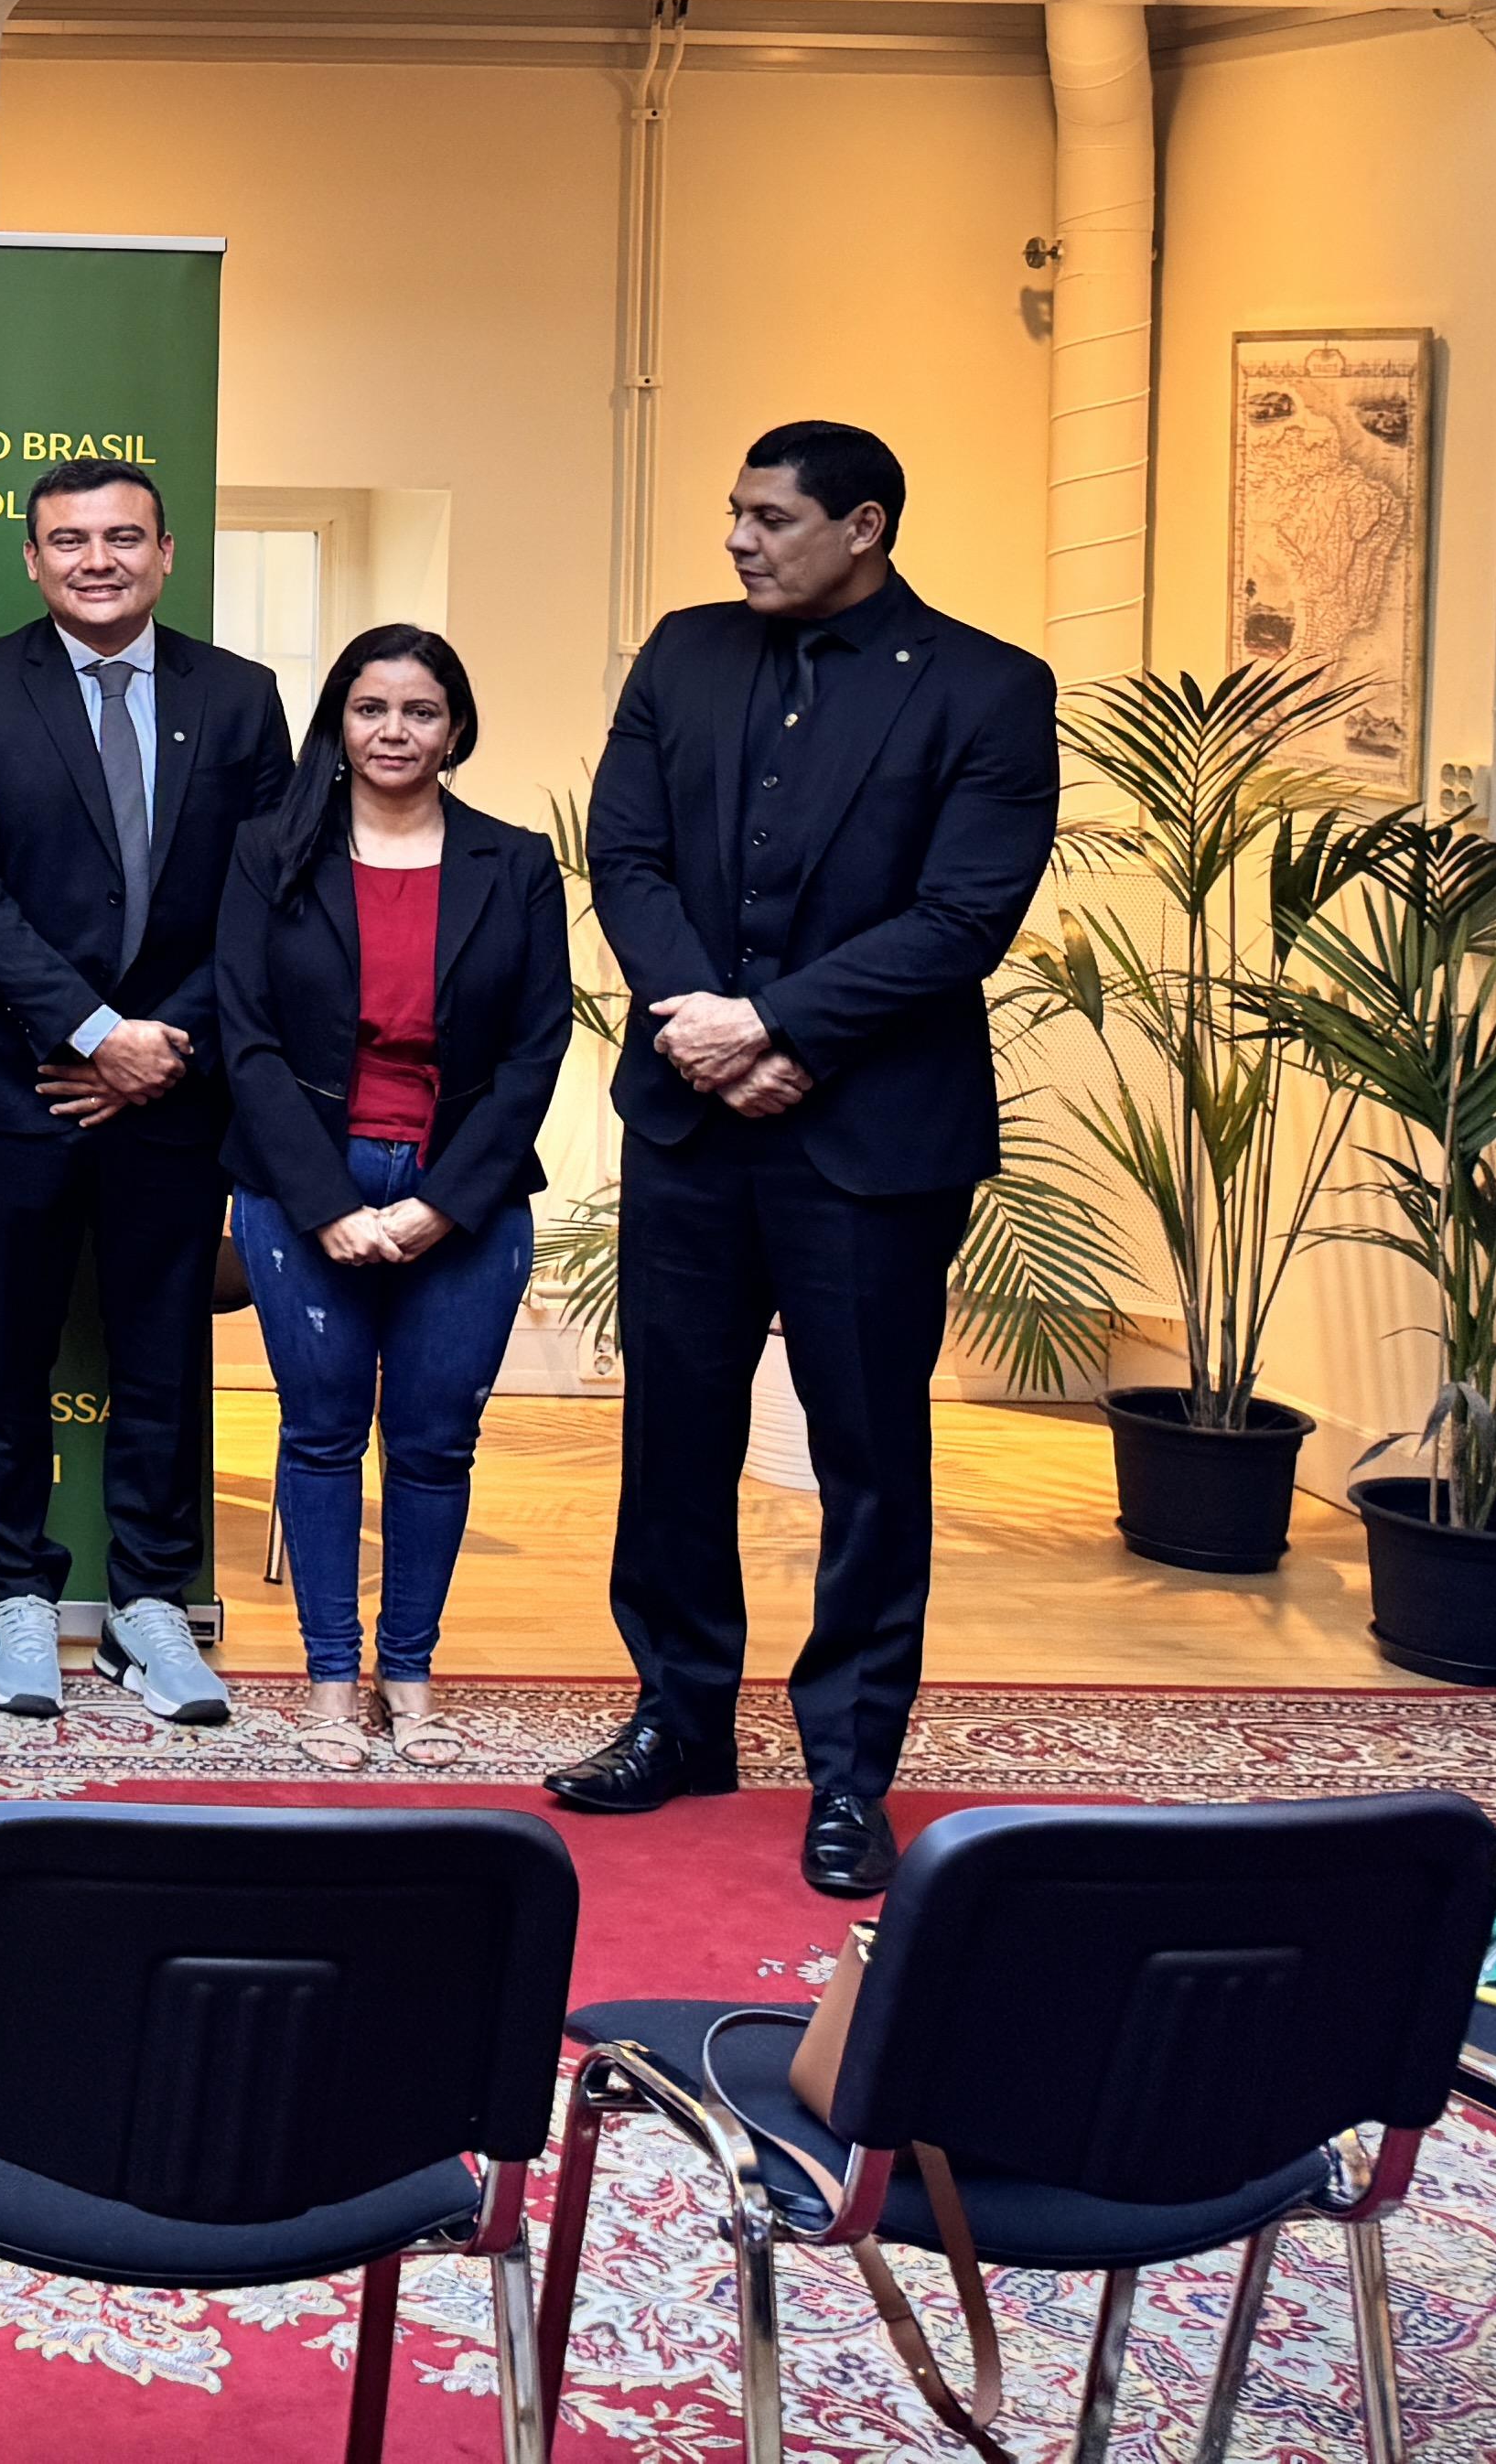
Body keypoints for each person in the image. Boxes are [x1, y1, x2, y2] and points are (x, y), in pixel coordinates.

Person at [553, 422, 1054, 1900]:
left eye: (769, 516)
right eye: (735, 511)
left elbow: (964, 917)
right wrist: (707, 1030)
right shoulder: (682, 651)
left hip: (873, 1144)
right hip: (690, 1123)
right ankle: (678, 1717)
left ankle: (848, 1767)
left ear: (864, 524)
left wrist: (780, 1027)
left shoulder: (986, 685)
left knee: (869, 1460)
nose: (738, 538)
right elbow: (625, 859)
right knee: (673, 1438)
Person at [0, 457, 296, 1726]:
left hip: (175, 1092)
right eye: (70, 540)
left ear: (166, 553)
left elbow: (265, 899)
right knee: (7, 1351)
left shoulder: (241, 699)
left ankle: (149, 1604)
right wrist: (91, 1033)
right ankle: (19, 1592)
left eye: (123, 537)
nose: (98, 560)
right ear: (32, 559)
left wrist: (157, 1045)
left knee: (163, 1356)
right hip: (17, 1081)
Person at [212, 625, 573, 1766]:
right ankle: (330, 1677)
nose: (394, 732)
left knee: (433, 1446)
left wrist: (441, 1205)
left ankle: (407, 1673)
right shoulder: (269, 851)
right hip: (302, 1188)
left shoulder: (515, 863)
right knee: (321, 1435)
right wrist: (325, 1203)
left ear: (455, 728)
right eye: (371, 709)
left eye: (421, 712)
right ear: (339, 722)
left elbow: (536, 1049)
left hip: (462, 1196)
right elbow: (247, 1039)